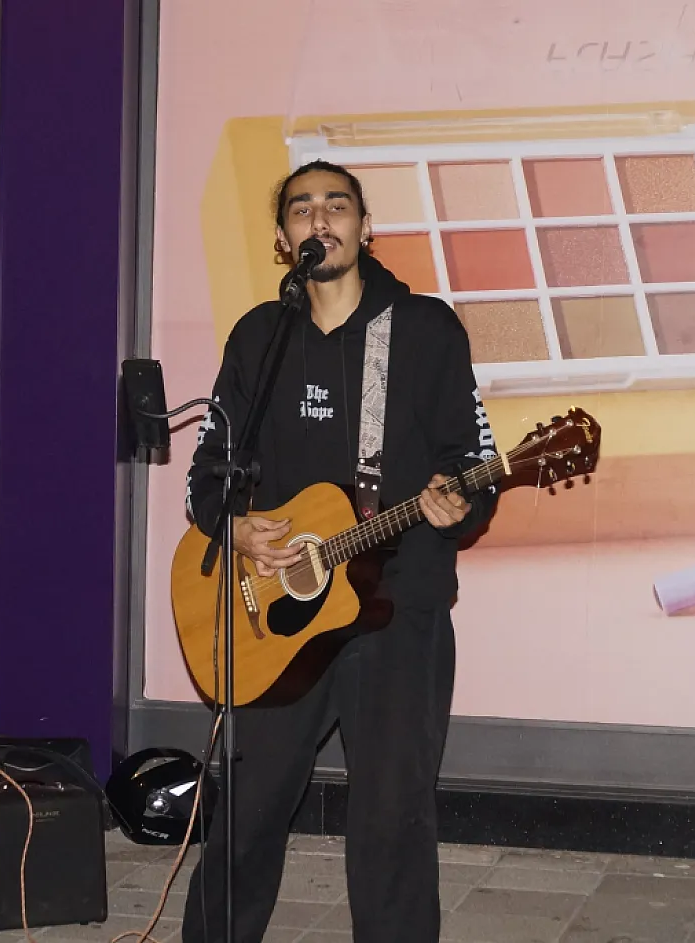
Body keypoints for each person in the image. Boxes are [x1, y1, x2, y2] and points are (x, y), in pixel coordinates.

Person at [180, 160, 499, 942]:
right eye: (301, 209)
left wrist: (462, 496)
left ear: (364, 227)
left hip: (399, 609)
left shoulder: (425, 330)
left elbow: (474, 458)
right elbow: (209, 468)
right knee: (246, 819)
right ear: (284, 238)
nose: (319, 220)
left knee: (392, 821)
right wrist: (232, 525)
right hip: (275, 621)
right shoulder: (259, 335)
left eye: (337, 206)